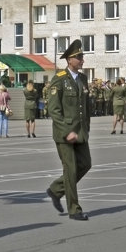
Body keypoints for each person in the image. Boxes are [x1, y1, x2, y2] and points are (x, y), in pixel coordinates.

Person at [45, 39, 92, 221]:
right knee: (71, 169)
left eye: (82, 56)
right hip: (64, 133)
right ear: (69, 59)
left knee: (86, 164)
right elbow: (54, 110)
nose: (82, 60)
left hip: (80, 132)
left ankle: (56, 190)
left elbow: (85, 107)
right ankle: (74, 209)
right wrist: (66, 131)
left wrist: (85, 128)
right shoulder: (59, 80)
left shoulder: (82, 78)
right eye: (79, 57)